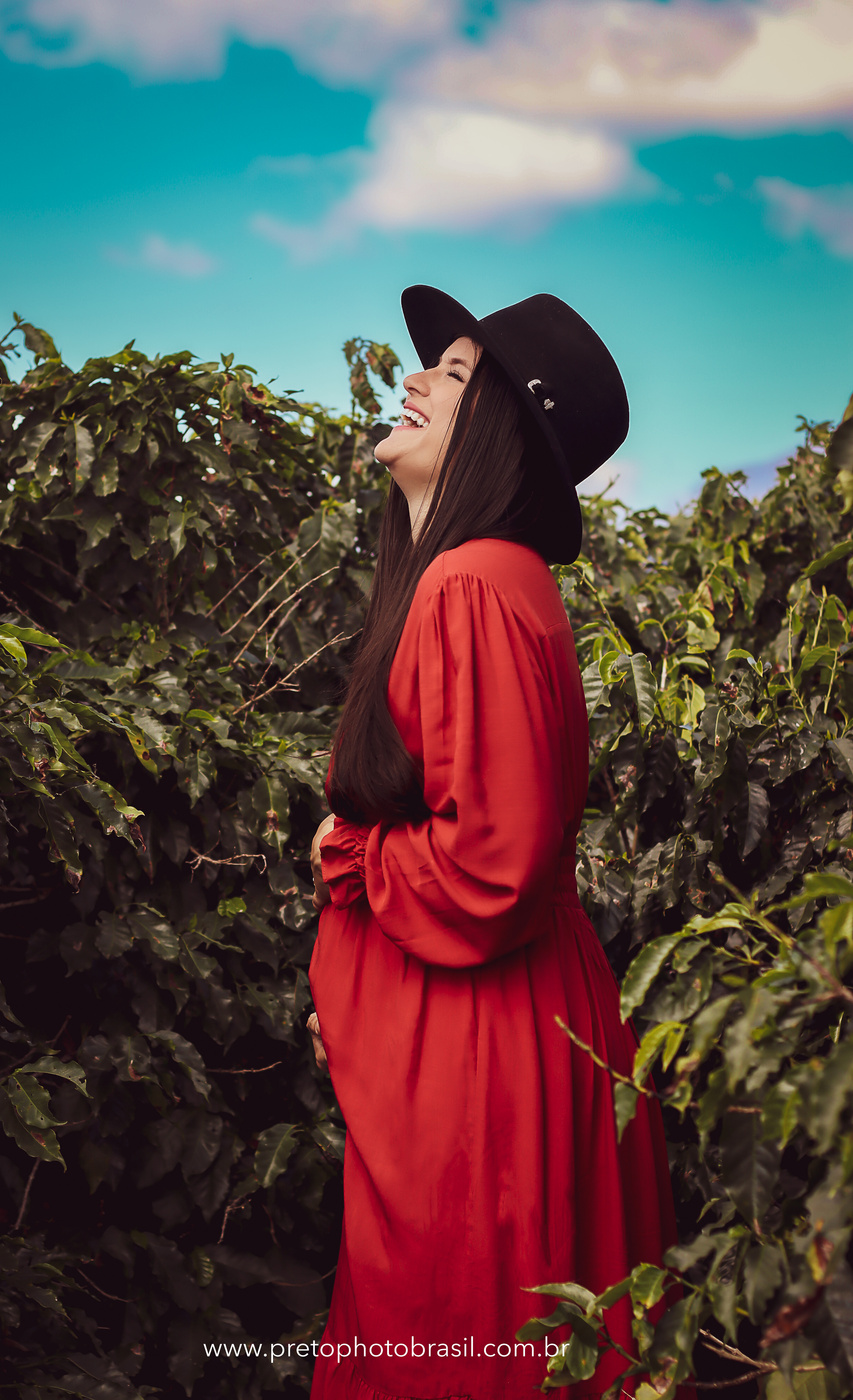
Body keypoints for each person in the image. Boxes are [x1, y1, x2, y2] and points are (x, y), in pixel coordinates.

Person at [304, 285, 686, 1400]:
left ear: (504, 431)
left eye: (455, 373)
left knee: (459, 1345)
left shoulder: (472, 581)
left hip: (481, 1058)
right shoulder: (479, 579)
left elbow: (489, 869)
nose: (414, 377)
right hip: (489, 1034)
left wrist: (348, 849)